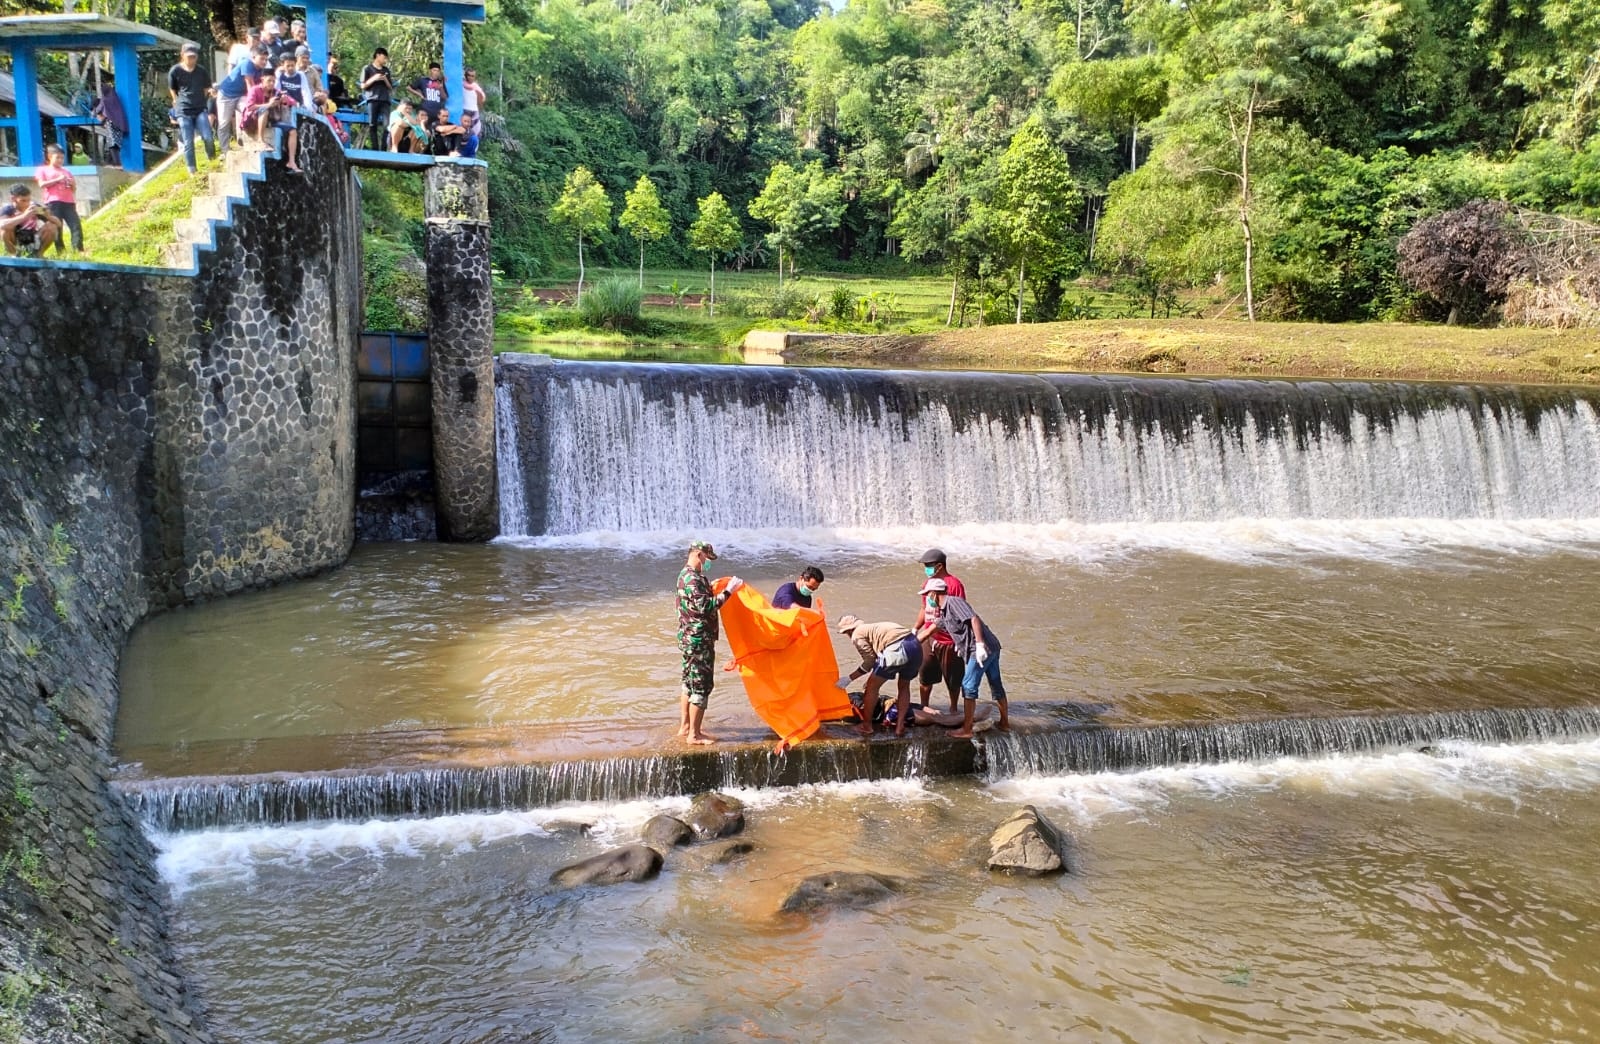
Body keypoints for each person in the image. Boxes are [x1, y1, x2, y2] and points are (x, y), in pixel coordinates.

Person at [916, 578, 1008, 738]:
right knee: (996, 684)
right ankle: (1005, 723)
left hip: (980, 650)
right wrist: (907, 644)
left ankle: (966, 730)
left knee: (968, 686)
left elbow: (974, 619)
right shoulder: (944, 612)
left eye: (927, 595)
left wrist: (979, 644)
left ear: (934, 593)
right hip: (992, 647)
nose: (927, 599)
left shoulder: (953, 602)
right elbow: (930, 631)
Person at [676, 541, 744, 745]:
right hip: (699, 640)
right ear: (698, 555)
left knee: (688, 683)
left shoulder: (686, 575)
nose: (707, 563)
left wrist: (710, 587)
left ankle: (685, 727)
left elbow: (698, 599)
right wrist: (729, 591)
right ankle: (694, 735)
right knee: (701, 686)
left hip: (689, 639)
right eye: (706, 558)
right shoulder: (693, 580)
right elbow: (706, 606)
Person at [836, 614, 924, 738]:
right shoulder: (873, 628)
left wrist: (850, 678)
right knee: (904, 687)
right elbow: (877, 658)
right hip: (915, 646)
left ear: (848, 630)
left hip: (897, 649)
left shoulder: (857, 635)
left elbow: (870, 661)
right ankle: (900, 726)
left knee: (871, 688)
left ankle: (866, 726)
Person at [915, 547, 967, 711]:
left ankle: (953, 708)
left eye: (929, 565)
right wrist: (915, 628)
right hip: (929, 637)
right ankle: (925, 707)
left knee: (953, 679)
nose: (926, 568)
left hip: (949, 640)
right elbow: (924, 608)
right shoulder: (927, 584)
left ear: (940, 565)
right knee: (925, 675)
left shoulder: (954, 584)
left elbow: (961, 612)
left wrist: (960, 640)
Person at [168, 42, 216, 174]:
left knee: (208, 137)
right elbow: (172, 88)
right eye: (189, 56)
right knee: (188, 142)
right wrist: (176, 100)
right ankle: (192, 171)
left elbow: (207, 87)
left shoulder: (201, 71)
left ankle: (212, 161)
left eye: (193, 57)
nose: (191, 59)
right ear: (182, 55)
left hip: (200, 108)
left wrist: (203, 97)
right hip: (183, 111)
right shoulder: (175, 70)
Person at [215, 44, 270, 155]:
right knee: (224, 123)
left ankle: (247, 142)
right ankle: (225, 151)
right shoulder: (247, 64)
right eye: (262, 58)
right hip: (226, 95)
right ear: (253, 57)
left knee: (251, 112)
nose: (264, 62)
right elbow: (250, 85)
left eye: (266, 59)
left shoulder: (261, 70)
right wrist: (257, 102)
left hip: (241, 95)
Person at [35, 145, 81, 255]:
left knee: (76, 225)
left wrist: (72, 184)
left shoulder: (66, 171)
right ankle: (60, 251)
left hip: (69, 202)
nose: (60, 160)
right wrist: (57, 179)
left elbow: (74, 189)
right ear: (50, 156)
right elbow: (41, 184)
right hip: (53, 202)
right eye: (57, 157)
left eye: (62, 158)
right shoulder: (43, 169)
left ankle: (78, 249)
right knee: (57, 226)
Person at [0, 185, 60, 256]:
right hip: (15, 240)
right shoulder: (8, 209)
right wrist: (24, 216)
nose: (27, 203)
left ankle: (38, 254)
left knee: (52, 226)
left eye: (28, 200)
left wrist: (48, 216)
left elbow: (59, 224)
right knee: (4, 229)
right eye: (23, 200)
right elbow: (2, 224)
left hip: (33, 238)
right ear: (13, 199)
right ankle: (14, 254)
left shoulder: (34, 207)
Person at [360, 48, 395, 151]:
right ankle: (375, 148)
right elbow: (363, 86)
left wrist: (384, 79)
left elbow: (390, 87)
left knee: (387, 124)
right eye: (384, 58)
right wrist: (374, 78)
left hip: (385, 100)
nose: (385, 60)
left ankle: (384, 147)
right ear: (378, 55)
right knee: (372, 124)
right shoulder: (367, 69)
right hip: (372, 99)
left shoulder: (386, 70)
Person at [93, 83, 129, 167]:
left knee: (112, 144)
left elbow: (98, 110)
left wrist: (94, 113)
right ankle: (109, 163)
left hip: (111, 123)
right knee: (116, 144)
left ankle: (117, 164)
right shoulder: (115, 98)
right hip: (120, 124)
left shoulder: (104, 99)